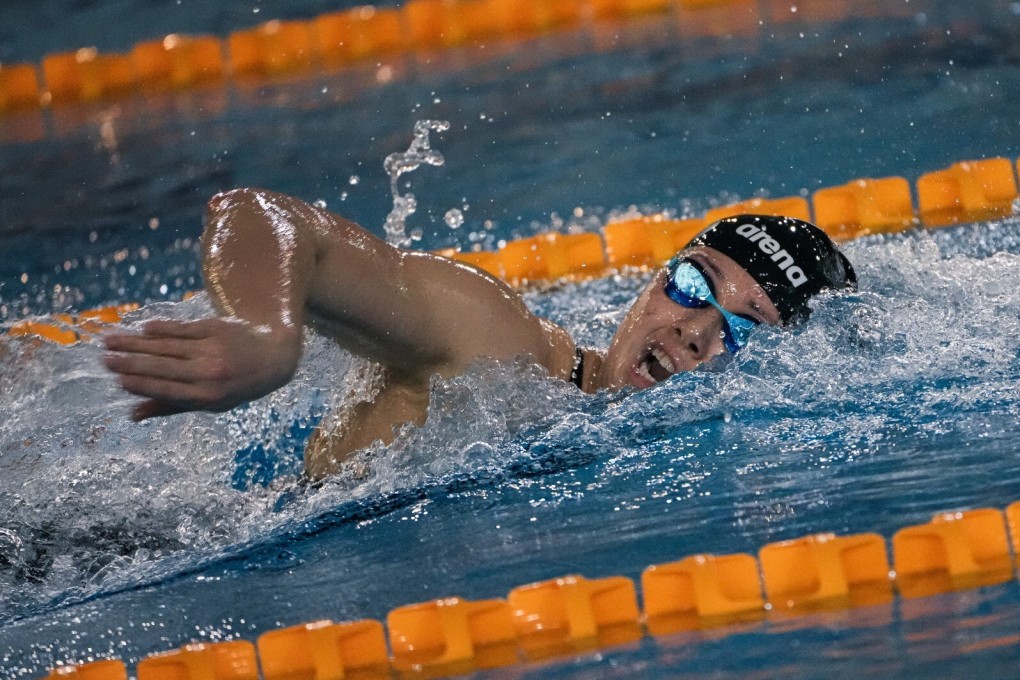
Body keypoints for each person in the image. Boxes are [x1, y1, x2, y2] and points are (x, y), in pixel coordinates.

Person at [102, 188, 856, 479]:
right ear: (651, 280)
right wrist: (264, 331)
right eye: (692, 285)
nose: (692, 331)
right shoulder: (498, 341)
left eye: (741, 327)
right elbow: (261, 212)